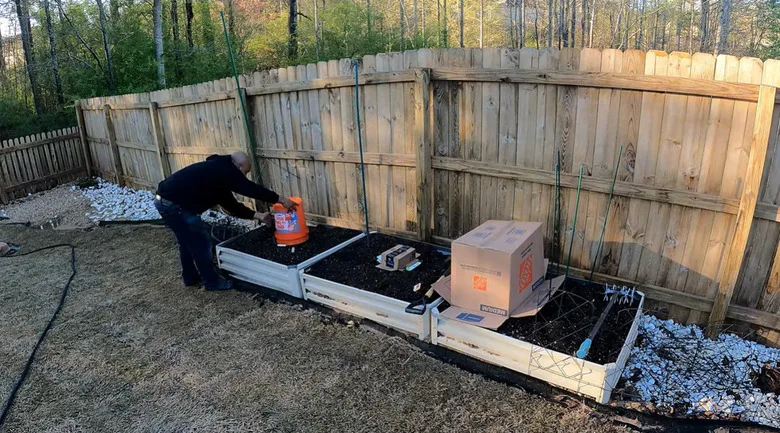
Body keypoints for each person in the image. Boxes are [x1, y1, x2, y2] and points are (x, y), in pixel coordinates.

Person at [154, 151, 295, 291]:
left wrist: (259, 216)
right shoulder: (224, 170)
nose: (244, 176)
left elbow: (232, 206)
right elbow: (249, 189)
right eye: (245, 172)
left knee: (187, 241)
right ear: (238, 166)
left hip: (165, 202)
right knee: (201, 242)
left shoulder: (217, 174)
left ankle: (190, 278)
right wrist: (280, 199)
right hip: (174, 206)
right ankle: (212, 282)